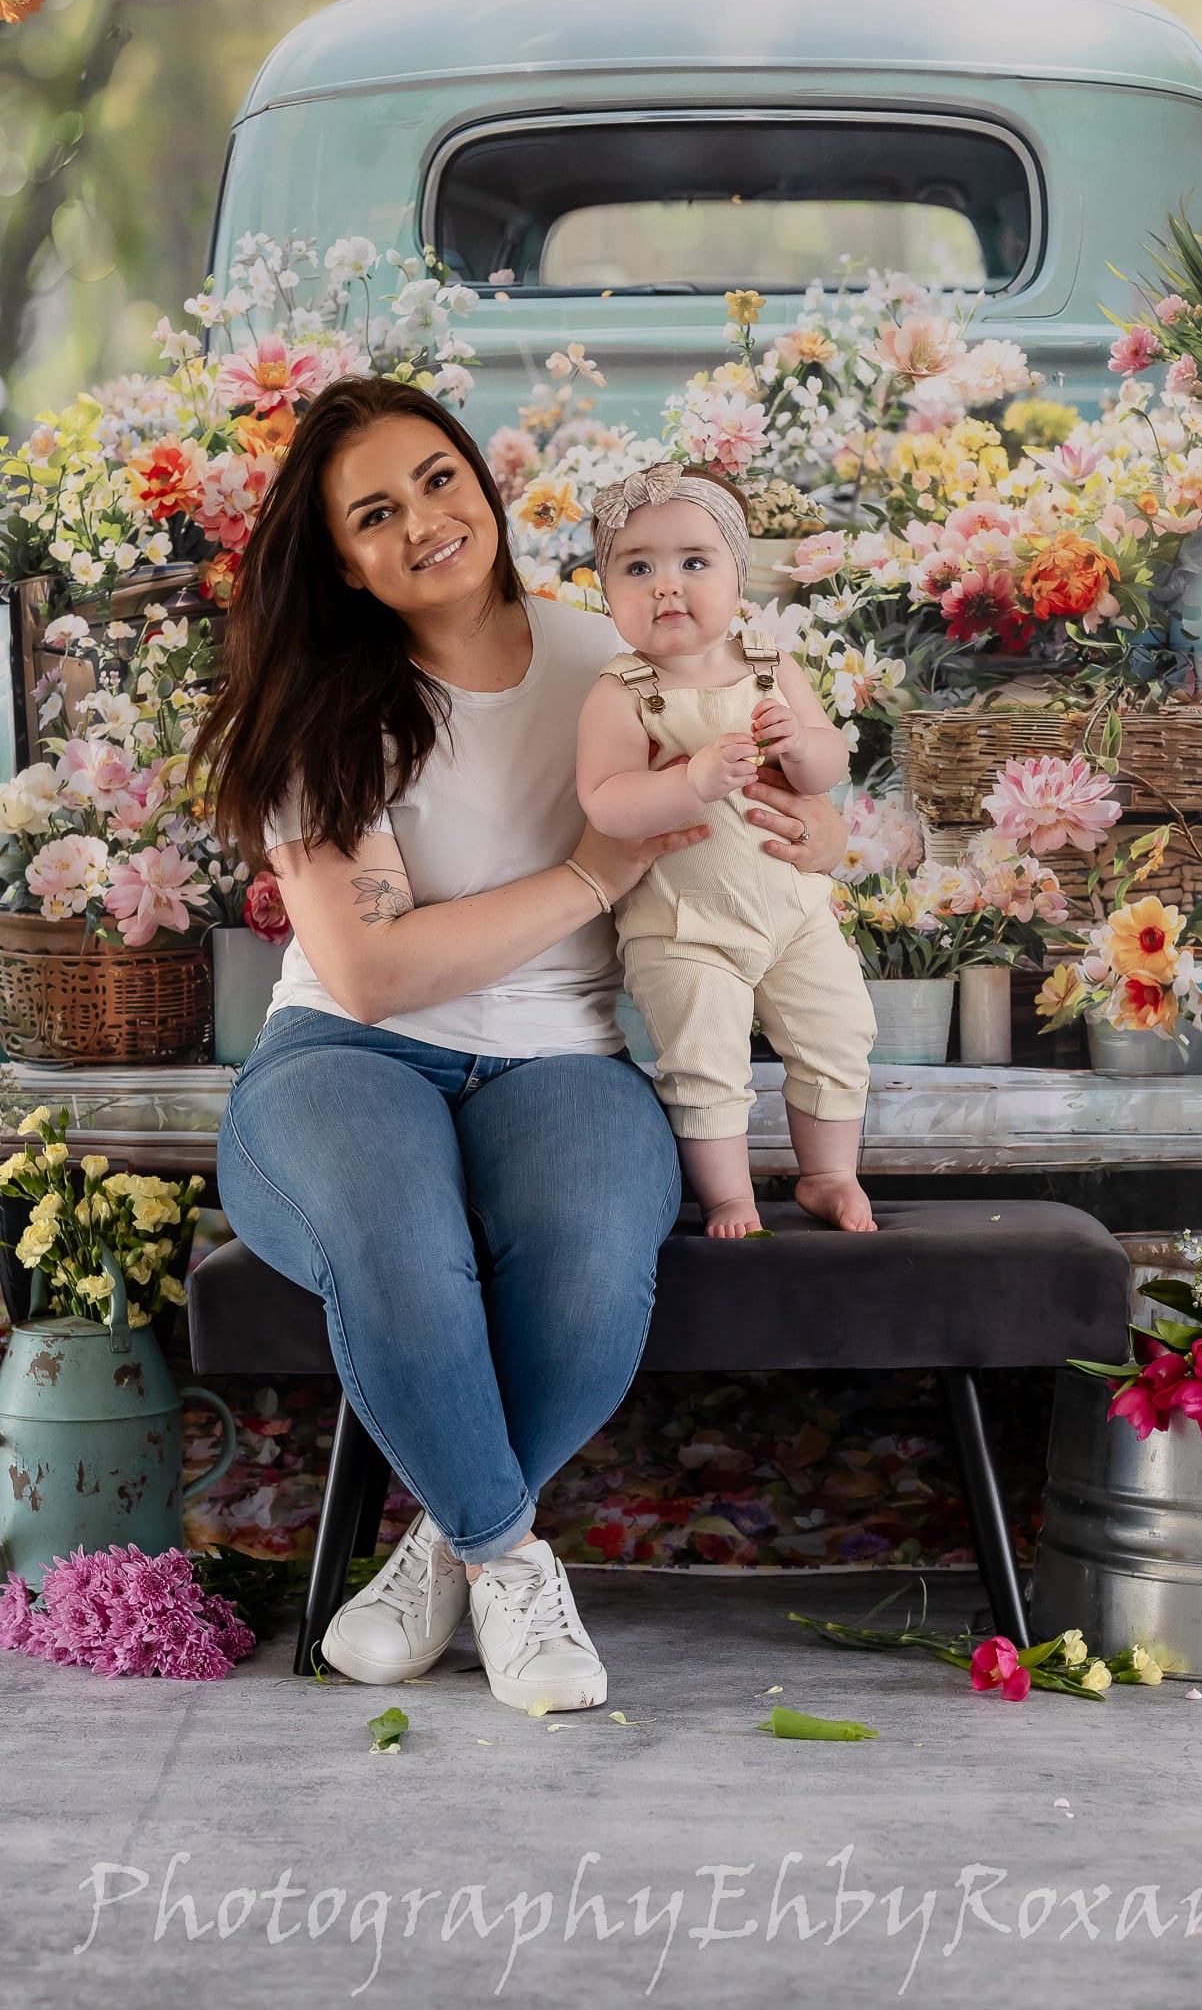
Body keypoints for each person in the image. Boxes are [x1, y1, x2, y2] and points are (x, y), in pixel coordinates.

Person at [192, 378, 849, 1708]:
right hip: (343, 1060)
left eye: (438, 479)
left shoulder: (610, 667)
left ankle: (444, 1550)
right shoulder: (320, 710)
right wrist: (594, 877)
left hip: (563, 1059)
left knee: (597, 1255)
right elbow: (373, 971)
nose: (424, 522)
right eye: (375, 514)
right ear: (339, 560)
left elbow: (771, 818)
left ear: (481, 482)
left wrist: (820, 837)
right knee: (398, 1239)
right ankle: (512, 1562)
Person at [578, 461, 878, 1240]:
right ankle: (728, 1198)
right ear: (605, 591)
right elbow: (605, 800)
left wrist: (801, 746)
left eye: (693, 562)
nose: (665, 586)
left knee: (838, 1033)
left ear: (739, 579)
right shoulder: (620, 690)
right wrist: (691, 782)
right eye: (636, 567)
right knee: (705, 1060)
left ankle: (828, 1174)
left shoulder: (772, 669)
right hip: (684, 929)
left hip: (795, 913)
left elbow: (827, 769)